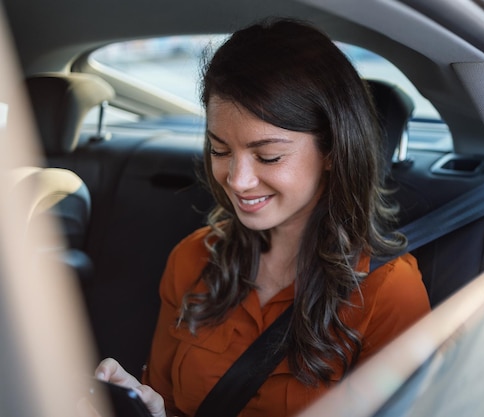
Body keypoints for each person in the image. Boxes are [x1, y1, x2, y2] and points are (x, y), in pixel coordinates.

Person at [95, 18, 430, 417]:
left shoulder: (387, 293)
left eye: (268, 156)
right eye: (220, 150)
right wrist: (148, 407)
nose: (237, 180)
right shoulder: (192, 259)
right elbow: (168, 399)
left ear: (332, 150)